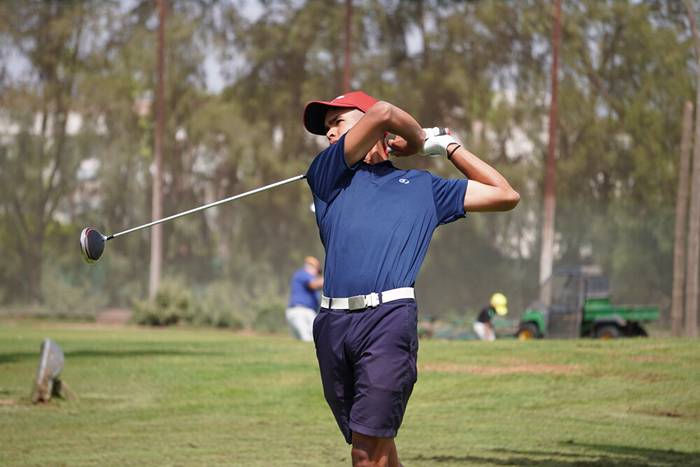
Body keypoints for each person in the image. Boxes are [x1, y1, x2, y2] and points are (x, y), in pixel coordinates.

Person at [303, 90, 519, 467]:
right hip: (332, 326)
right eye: (326, 130)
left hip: (388, 320)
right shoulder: (326, 175)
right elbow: (386, 114)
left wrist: (447, 147)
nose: (330, 135)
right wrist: (416, 138)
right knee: (378, 448)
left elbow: (505, 194)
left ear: (370, 123)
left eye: (338, 122)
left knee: (366, 452)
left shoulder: (424, 188)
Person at [285, 256, 324, 342]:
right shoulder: (303, 274)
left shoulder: (304, 276)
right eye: (317, 271)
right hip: (301, 312)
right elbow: (314, 285)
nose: (317, 274)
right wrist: (331, 279)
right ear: (311, 267)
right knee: (310, 340)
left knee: (301, 343)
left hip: (298, 312)